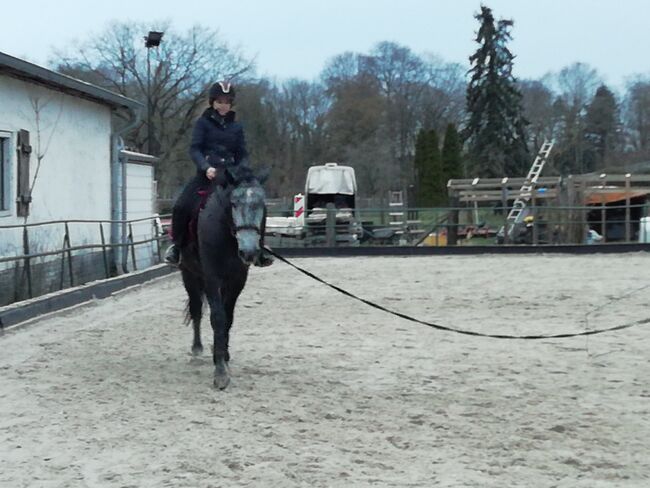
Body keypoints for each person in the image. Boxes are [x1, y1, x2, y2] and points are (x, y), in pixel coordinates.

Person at [164, 81, 273, 267]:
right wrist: (206, 167)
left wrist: (242, 171)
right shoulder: (202, 123)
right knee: (181, 205)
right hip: (207, 175)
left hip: (232, 177)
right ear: (212, 102)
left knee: (255, 202)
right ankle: (177, 247)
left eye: (227, 102)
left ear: (231, 104)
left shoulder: (237, 127)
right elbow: (195, 149)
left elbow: (242, 153)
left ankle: (260, 247)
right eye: (220, 101)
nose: (223, 105)